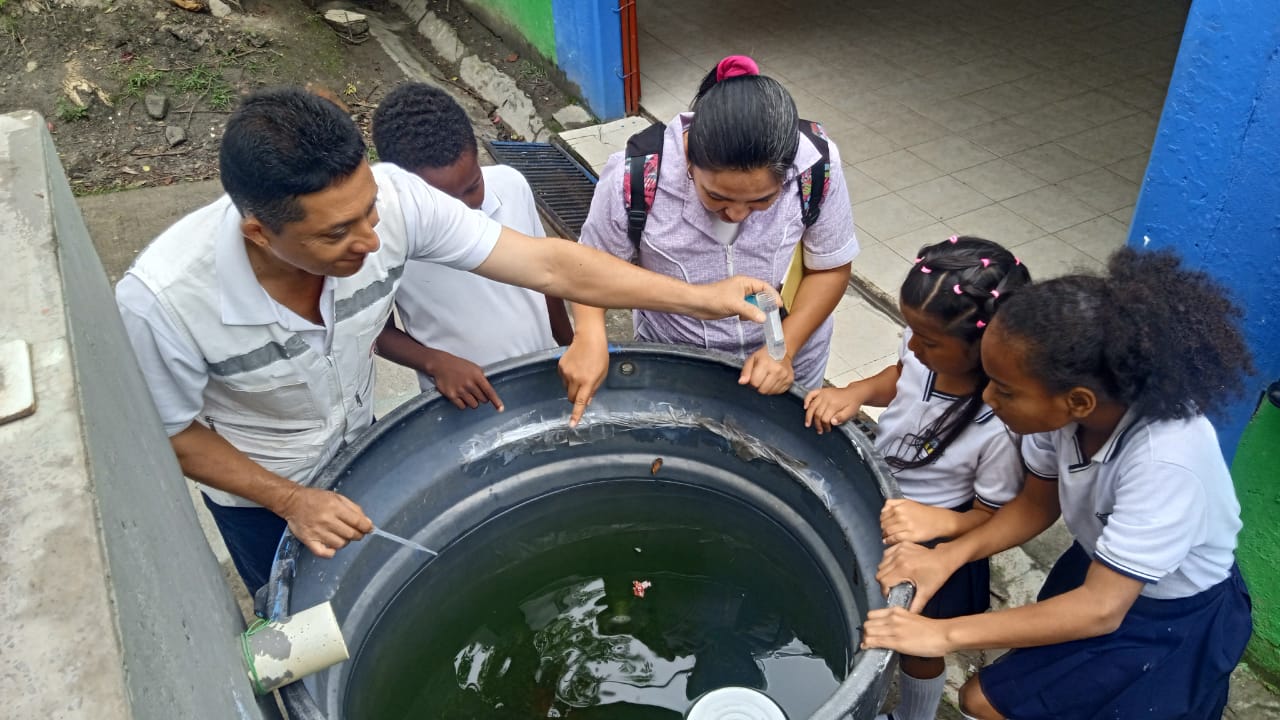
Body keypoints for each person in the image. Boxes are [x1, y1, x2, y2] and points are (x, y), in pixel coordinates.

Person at [115, 87, 775, 595]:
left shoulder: (398, 202)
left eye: (369, 210)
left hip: (357, 447)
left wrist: (701, 296)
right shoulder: (165, 302)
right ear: (260, 234)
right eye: (338, 233)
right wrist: (291, 500)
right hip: (262, 493)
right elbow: (174, 433)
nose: (372, 240)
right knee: (288, 613)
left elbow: (552, 265)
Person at [863, 248, 1254, 720]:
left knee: (987, 700)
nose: (987, 397)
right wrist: (946, 556)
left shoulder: (1167, 462)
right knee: (1036, 684)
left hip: (1169, 615)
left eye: (1004, 390)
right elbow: (1035, 504)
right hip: (1098, 565)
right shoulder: (1061, 418)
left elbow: (1100, 610)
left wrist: (943, 634)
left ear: (1079, 401)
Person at [559, 54, 858, 426]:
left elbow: (830, 268)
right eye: (716, 197)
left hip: (787, 359)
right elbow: (587, 268)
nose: (735, 215)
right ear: (689, 162)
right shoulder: (636, 177)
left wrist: (784, 349)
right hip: (677, 361)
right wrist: (588, 333)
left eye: (761, 201)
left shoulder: (815, 168)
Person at [804, 236, 1031, 720]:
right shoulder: (921, 353)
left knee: (918, 643)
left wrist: (938, 522)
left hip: (936, 545)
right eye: (911, 332)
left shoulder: (998, 426)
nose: (914, 346)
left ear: (984, 348)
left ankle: (916, 716)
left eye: (928, 341)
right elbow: (899, 377)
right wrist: (856, 390)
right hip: (881, 499)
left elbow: (991, 518)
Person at [370, 82, 573, 411]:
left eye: (472, 187)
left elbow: (547, 277)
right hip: (464, 399)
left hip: (543, 375)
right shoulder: (381, 236)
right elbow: (375, 332)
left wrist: (569, 344)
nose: (463, 213)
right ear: (405, 191)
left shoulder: (511, 185)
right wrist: (435, 363)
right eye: (442, 205)